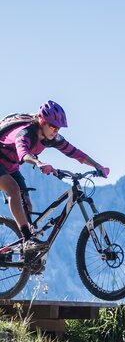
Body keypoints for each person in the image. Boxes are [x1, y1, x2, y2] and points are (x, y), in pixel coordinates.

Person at [0, 101, 110, 254]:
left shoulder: (52, 137)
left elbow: (74, 153)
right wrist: (38, 163)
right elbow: (23, 153)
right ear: (41, 121)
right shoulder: (25, 133)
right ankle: (28, 240)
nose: (55, 130)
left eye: (58, 128)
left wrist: (97, 166)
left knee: (26, 201)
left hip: (9, 165)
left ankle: (28, 255)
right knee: (13, 189)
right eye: (52, 126)